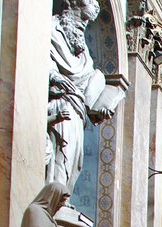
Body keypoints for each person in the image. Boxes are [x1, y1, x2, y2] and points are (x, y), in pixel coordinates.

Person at [47, 0, 116, 193]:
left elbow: (89, 94)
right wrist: (54, 77)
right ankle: (53, 201)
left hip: (78, 112)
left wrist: (99, 109)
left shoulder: (83, 54)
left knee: (75, 164)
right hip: (61, 106)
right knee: (61, 155)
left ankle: (61, 201)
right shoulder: (50, 30)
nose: (83, 25)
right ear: (70, 8)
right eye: (82, 18)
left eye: (86, 23)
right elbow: (41, 58)